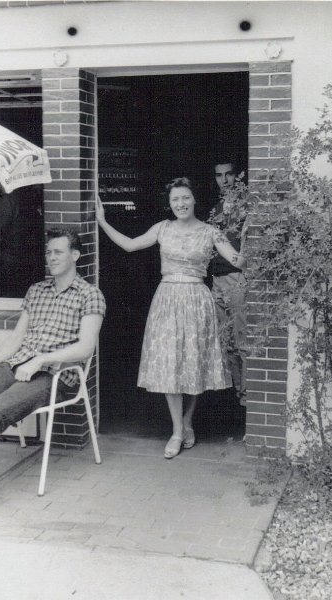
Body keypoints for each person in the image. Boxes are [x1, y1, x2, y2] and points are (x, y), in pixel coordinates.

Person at [96, 177, 246, 459]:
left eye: (185, 198)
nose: (181, 204)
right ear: (169, 204)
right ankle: (177, 430)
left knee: (193, 364)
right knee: (170, 363)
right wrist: (103, 222)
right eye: (175, 199)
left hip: (197, 299)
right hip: (167, 299)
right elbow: (129, 245)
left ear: (194, 200)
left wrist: (251, 232)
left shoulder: (211, 232)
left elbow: (238, 261)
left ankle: (188, 422)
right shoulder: (162, 228)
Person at [0, 228, 106, 448]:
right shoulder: (36, 290)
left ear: (75, 255)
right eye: (49, 252)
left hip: (52, 374)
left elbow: (85, 348)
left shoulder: (90, 295)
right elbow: (16, 340)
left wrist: (40, 360)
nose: (51, 257)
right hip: (15, 365)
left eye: (58, 252)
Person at [209, 159, 247, 406]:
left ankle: (248, 400)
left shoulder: (247, 207)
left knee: (242, 340)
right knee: (227, 343)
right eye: (219, 175)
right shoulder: (215, 209)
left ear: (237, 177)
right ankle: (238, 398)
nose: (224, 180)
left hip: (237, 279)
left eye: (229, 174)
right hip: (217, 280)